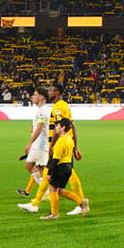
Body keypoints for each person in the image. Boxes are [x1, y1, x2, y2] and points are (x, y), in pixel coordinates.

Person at [26, 85, 87, 215]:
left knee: (52, 174)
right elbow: (73, 126)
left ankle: (80, 203)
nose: (49, 92)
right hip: (66, 144)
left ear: (58, 92)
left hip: (61, 145)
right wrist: (75, 146)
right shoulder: (61, 105)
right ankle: (35, 203)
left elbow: (60, 129)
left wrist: (51, 146)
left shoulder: (59, 107)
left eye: (52, 90)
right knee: (61, 174)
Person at [40, 118, 88, 220]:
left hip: (60, 167)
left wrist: (49, 173)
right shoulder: (69, 139)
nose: (55, 128)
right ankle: (81, 202)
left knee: (53, 189)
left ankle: (54, 214)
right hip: (68, 167)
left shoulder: (60, 142)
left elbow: (55, 159)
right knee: (60, 191)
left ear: (63, 128)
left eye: (57, 126)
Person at [16, 87, 50, 198]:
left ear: (41, 97)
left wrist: (30, 143)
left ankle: (47, 192)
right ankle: (46, 191)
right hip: (41, 144)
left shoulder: (41, 111)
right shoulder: (44, 110)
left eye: (35, 95)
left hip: (40, 145)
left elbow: (39, 128)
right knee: (37, 168)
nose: (32, 97)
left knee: (33, 166)